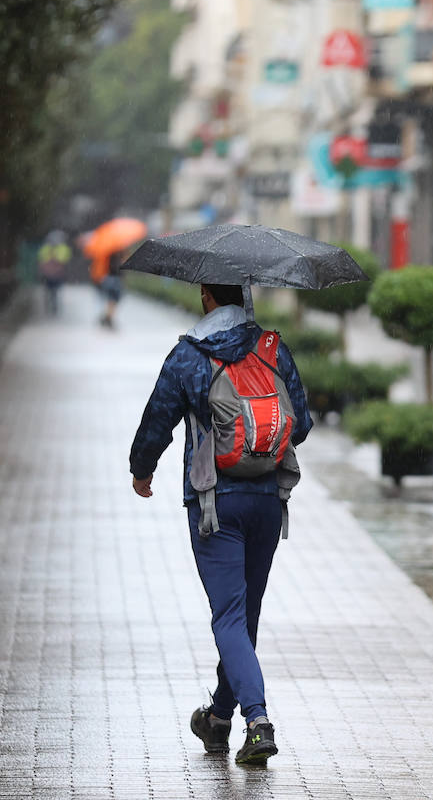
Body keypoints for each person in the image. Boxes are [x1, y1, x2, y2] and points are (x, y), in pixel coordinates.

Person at [129, 283, 312, 765]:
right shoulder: (271, 348)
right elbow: (304, 422)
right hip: (269, 501)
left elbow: (158, 420)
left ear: (208, 296)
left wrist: (142, 469)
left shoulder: (189, 355)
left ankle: (258, 722)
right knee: (244, 617)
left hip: (215, 505)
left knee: (230, 618)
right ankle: (218, 718)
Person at [37, 231, 71, 315]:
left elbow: (65, 259)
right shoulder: (46, 248)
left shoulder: (63, 248)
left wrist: (56, 257)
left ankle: (53, 305)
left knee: (55, 290)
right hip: (48, 273)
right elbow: (41, 259)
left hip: (57, 273)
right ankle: (49, 304)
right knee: (49, 290)